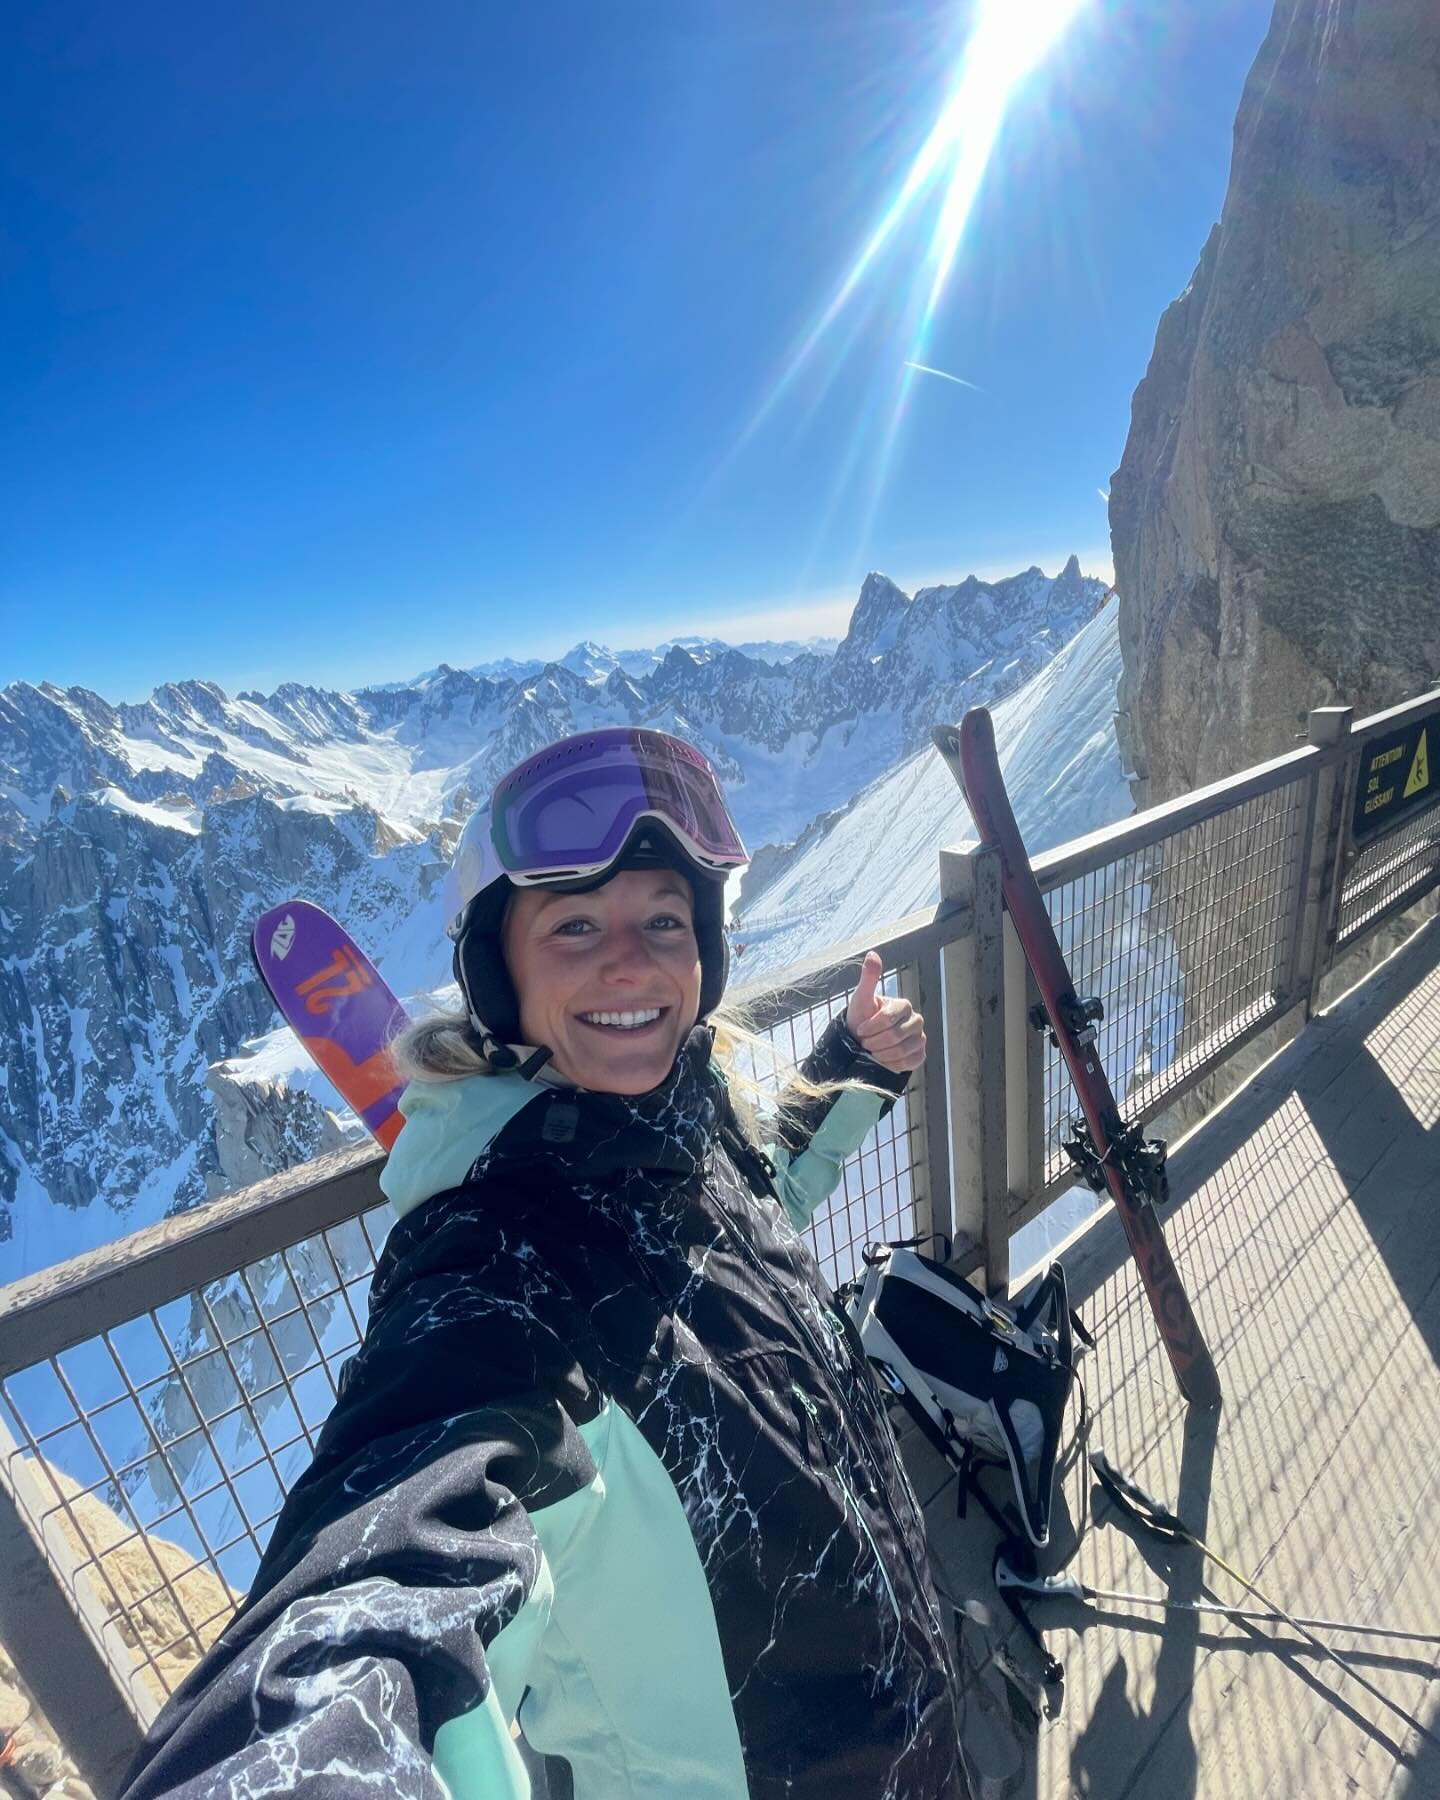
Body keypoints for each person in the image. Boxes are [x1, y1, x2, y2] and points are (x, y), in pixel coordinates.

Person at [120, 727, 971, 1799]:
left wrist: (848, 1072)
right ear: (500, 977)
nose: (631, 958)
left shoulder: (676, 1134)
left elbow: (749, 1228)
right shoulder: (491, 1279)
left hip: (923, 1733)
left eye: (665, 917)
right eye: (573, 925)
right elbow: (385, 1577)